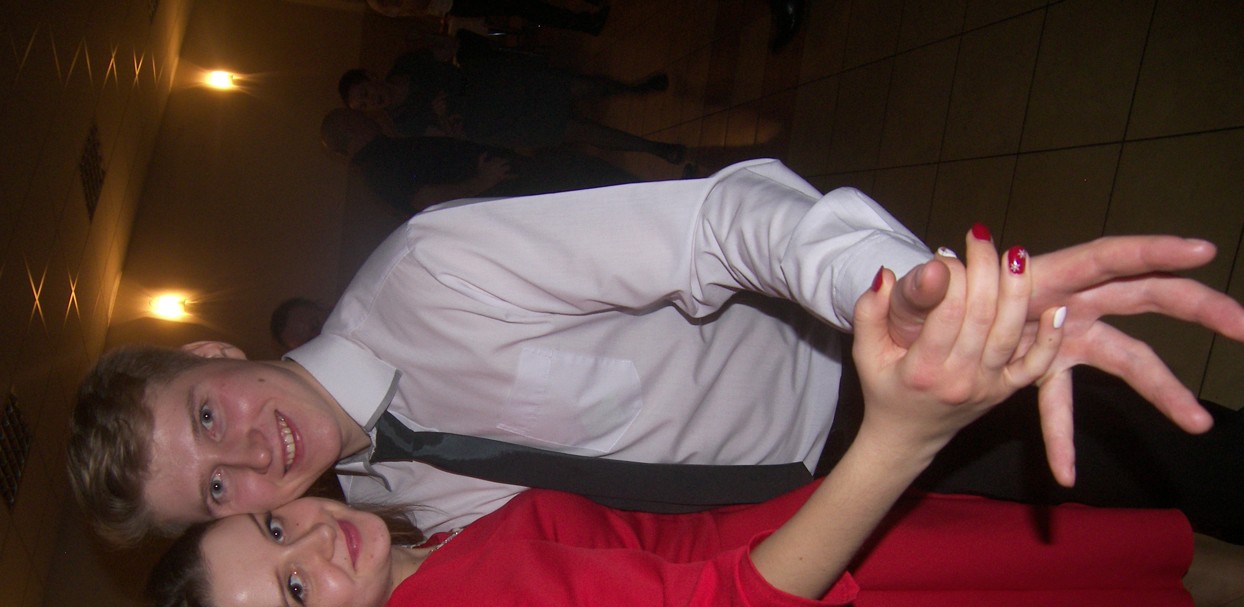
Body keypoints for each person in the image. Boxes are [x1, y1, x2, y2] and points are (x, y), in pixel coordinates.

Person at [144, 245, 1228, 607]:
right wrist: (892, 443)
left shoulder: (415, 581)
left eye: (272, 532)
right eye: (294, 592)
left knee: (1112, 599)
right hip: (810, 584)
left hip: (791, 578)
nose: (309, 542)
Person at [67, 161, 1244, 546]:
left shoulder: (429, 277)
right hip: (819, 525)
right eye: (213, 488)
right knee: (1116, 551)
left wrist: (884, 300)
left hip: (857, 385)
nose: (249, 456)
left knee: (1181, 465)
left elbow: (717, 224)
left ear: (210, 349)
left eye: (206, 415)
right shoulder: (385, 504)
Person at [338, 46, 686, 163]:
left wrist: (444, 55)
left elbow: (445, 52)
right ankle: (656, 149)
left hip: (493, 82)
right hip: (490, 123)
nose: (372, 101)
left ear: (370, 77)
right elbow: (447, 139)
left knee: (577, 86)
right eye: (364, 105)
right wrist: (442, 117)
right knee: (577, 130)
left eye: (365, 93)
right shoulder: (402, 123)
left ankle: (634, 89)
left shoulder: (405, 63)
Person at [320, 108, 638, 215]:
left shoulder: (381, 155)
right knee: (591, 182)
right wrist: (483, 181)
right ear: (349, 127)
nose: (365, 115)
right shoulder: (378, 168)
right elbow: (424, 199)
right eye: (356, 115)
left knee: (590, 181)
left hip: (505, 182)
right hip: (505, 188)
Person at [366, 0, 612, 37]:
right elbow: (417, 5)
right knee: (527, 7)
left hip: (457, 4)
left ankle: (585, 20)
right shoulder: (378, 2)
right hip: (458, 2)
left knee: (527, 7)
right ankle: (585, 23)